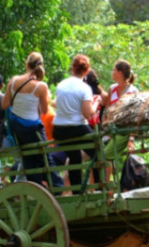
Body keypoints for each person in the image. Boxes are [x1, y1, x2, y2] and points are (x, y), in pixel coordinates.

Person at [1, 52, 63, 188]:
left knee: (28, 158)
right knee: (46, 158)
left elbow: (4, 105)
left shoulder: (13, 81)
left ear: (27, 64)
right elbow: (45, 111)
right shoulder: (41, 86)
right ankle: (58, 187)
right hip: (34, 128)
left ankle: (36, 187)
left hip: (18, 129)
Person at [52, 55, 102, 195]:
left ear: (72, 68)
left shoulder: (61, 85)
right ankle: (99, 189)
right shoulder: (84, 88)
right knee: (99, 153)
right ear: (87, 71)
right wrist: (96, 103)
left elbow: (55, 103)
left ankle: (76, 192)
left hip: (59, 130)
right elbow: (88, 114)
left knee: (75, 158)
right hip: (77, 128)